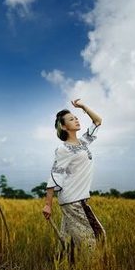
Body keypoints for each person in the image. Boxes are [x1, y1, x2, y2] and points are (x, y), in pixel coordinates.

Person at [42, 99, 106, 256]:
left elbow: (97, 121)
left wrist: (83, 106)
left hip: (78, 199)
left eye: (76, 117)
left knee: (69, 242)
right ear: (64, 127)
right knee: (97, 237)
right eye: (71, 119)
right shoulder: (63, 149)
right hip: (73, 200)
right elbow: (55, 175)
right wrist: (48, 204)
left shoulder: (83, 143)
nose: (76, 120)